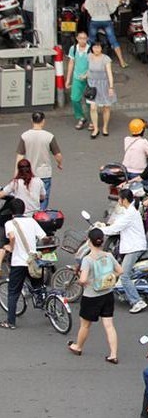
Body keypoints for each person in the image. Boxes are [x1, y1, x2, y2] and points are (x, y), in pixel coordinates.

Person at [67, 228, 122, 362]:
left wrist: (81, 280)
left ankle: (78, 346)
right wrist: (108, 279)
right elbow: (120, 270)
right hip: (107, 294)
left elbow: (83, 279)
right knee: (109, 325)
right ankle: (113, 354)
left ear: (89, 241)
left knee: (85, 325)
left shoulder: (88, 259)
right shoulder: (108, 255)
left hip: (91, 296)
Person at [99, 189, 147, 313]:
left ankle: (137, 301)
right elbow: (117, 223)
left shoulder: (130, 213)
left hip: (134, 247)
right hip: (133, 245)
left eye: (119, 199)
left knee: (124, 275)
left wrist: (100, 230)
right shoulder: (130, 212)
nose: (118, 201)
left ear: (124, 200)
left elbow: (117, 228)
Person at [0, 199, 45, 329]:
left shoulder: (10, 223)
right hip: (33, 262)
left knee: (13, 292)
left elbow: (12, 237)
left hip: (19, 262)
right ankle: (46, 305)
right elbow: (43, 236)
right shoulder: (31, 221)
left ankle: (10, 322)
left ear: (11, 212)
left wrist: (11, 246)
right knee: (38, 286)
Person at [15, 111, 61, 210]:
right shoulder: (49, 136)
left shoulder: (25, 136)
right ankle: (41, 216)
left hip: (29, 173)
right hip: (45, 173)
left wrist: (16, 172)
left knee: (29, 196)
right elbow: (58, 155)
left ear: (32, 120)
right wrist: (59, 163)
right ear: (43, 121)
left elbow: (20, 156)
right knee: (44, 197)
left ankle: (31, 214)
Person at [82, 0, 127, 68]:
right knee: (113, 40)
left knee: (91, 41)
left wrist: (93, 13)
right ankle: (122, 61)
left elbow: (86, 6)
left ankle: (86, 61)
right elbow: (116, 3)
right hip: (106, 20)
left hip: (94, 21)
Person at [85, 41, 116, 139]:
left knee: (106, 107)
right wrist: (85, 75)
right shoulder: (89, 56)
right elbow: (88, 69)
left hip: (104, 84)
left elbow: (109, 73)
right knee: (93, 107)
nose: (96, 49)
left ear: (101, 48)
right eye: (94, 47)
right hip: (92, 85)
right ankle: (95, 128)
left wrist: (111, 87)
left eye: (98, 47)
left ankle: (105, 127)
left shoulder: (105, 59)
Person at [64, 31, 91, 129]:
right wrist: (68, 79)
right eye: (81, 38)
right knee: (74, 99)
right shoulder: (73, 48)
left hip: (89, 79)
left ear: (87, 39)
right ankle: (81, 117)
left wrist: (87, 74)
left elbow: (93, 65)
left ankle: (92, 120)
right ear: (77, 38)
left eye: (84, 38)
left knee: (89, 100)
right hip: (76, 78)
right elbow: (71, 63)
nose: (83, 40)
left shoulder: (90, 49)